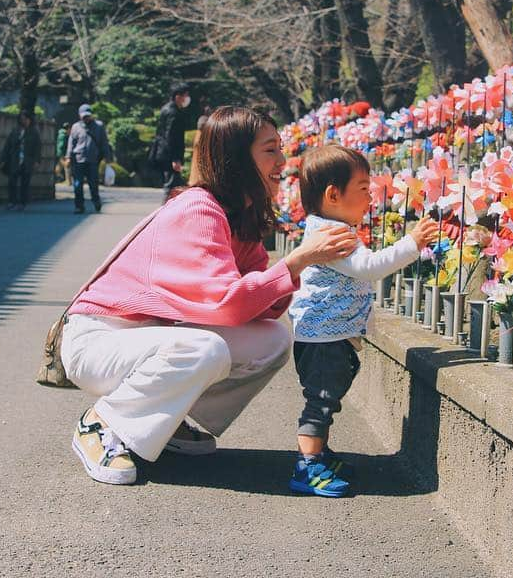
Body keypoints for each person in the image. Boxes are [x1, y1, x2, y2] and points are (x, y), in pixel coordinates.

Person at [59, 106, 357, 486]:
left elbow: (257, 308)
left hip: (146, 338)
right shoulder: (198, 209)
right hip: (99, 339)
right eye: (270, 150)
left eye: (280, 148)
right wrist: (297, 262)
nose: (283, 160)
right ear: (237, 159)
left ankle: (161, 422)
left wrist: (298, 266)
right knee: (205, 349)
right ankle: (103, 424)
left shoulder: (240, 216)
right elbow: (229, 304)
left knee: (273, 339)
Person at [287, 144, 439, 497]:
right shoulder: (332, 235)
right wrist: (412, 243)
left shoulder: (328, 227)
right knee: (321, 401)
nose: (371, 197)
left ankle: (319, 454)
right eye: (363, 188)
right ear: (333, 194)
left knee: (327, 398)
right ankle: (307, 467)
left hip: (327, 336)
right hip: (323, 340)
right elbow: (369, 269)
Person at [149, 81, 194, 203]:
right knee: (171, 186)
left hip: (164, 153)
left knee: (174, 186)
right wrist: (175, 159)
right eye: (185, 95)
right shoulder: (173, 113)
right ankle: (164, 214)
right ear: (178, 97)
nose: (187, 98)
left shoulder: (166, 109)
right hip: (170, 155)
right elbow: (171, 137)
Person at [67, 104, 112, 214]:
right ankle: (79, 206)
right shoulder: (75, 127)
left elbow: (104, 143)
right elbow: (71, 143)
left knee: (93, 184)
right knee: (77, 184)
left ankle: (96, 201)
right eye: (83, 116)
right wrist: (68, 157)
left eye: (87, 115)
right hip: (78, 159)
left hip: (93, 160)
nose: (86, 118)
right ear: (79, 115)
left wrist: (107, 157)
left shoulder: (99, 126)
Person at [0, 110, 42, 210]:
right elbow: (7, 145)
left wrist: (37, 161)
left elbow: (38, 147)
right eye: (23, 119)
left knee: (25, 182)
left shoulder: (34, 132)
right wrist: (3, 159)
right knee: (12, 181)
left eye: (26, 119)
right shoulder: (15, 131)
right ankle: (11, 201)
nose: (25, 121)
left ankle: (22, 203)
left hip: (27, 160)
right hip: (15, 159)